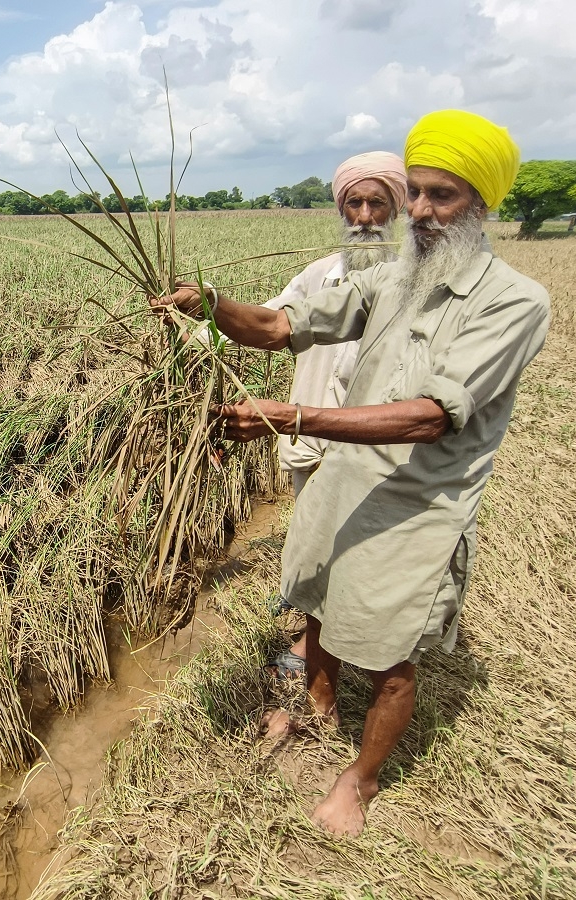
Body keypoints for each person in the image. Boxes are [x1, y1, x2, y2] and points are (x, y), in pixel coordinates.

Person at [153, 109, 549, 836]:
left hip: (418, 505)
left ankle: (360, 782)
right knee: (322, 608)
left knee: (389, 656)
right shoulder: (391, 279)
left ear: (482, 205)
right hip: (344, 479)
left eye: (443, 196)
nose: (421, 212)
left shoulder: (516, 303)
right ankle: (319, 708)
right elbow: (279, 327)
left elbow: (431, 415)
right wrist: (210, 303)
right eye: (419, 192)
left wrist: (294, 418)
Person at [258, 152, 408, 680]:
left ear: (400, 208)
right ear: (340, 208)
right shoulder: (319, 274)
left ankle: (330, 648)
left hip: (376, 443)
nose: (365, 216)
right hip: (309, 438)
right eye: (354, 203)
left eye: (377, 203)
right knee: (313, 536)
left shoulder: (414, 285)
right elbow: (270, 321)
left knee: (361, 547)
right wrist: (202, 320)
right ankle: (314, 631)